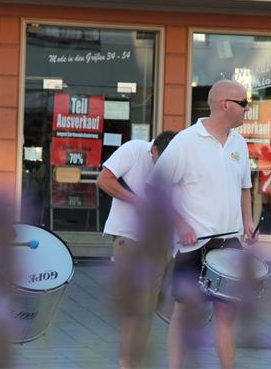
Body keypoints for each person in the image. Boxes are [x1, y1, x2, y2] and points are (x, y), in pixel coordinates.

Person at [150, 79, 257, 369]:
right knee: (184, 314)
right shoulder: (185, 141)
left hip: (230, 244)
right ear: (224, 104)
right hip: (194, 244)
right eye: (243, 103)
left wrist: (248, 221)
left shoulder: (239, 143)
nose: (247, 109)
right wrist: (181, 224)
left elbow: (245, 188)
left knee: (227, 315)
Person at [97, 129, 177, 369]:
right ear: (154, 150)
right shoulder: (134, 149)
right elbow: (104, 180)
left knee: (148, 308)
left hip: (160, 242)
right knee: (135, 307)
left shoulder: (178, 159)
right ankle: (126, 363)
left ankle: (136, 362)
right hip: (129, 237)